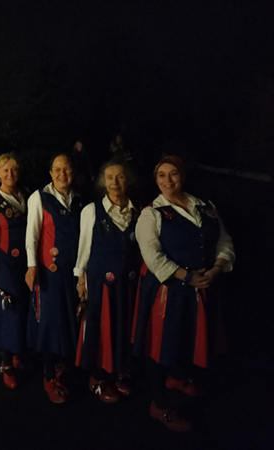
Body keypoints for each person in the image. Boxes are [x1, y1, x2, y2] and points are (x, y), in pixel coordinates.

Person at [132, 155, 235, 432]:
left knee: (187, 337)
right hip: (169, 290)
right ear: (155, 179)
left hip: (202, 285)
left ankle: (178, 377)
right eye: (162, 175)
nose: (168, 180)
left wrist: (216, 269)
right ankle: (159, 404)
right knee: (160, 344)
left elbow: (224, 241)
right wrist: (188, 277)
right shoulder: (151, 214)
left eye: (173, 174)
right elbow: (153, 258)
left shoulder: (206, 207)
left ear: (183, 176)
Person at [74, 161, 139, 402]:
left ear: (127, 180)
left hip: (127, 283)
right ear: (103, 182)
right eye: (110, 177)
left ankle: (120, 370)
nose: (114, 182)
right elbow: (83, 248)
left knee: (124, 324)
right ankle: (98, 377)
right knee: (101, 328)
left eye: (120, 177)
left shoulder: (137, 211)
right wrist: (81, 280)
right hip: (101, 282)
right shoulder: (91, 210)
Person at [25, 154, 84, 403]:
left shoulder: (80, 201)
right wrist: (31, 266)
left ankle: (62, 365)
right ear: (50, 173)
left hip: (72, 273)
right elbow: (32, 235)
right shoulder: (39, 197)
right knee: (50, 323)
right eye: (57, 170)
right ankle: (49, 375)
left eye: (67, 169)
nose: (62, 174)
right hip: (49, 272)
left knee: (70, 319)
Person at [0, 154, 28, 389]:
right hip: (5, 265)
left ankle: (19, 351)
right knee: (8, 311)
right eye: (5, 171)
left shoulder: (25, 196)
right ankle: (6, 362)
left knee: (23, 309)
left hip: (24, 265)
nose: (10, 174)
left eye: (14, 170)